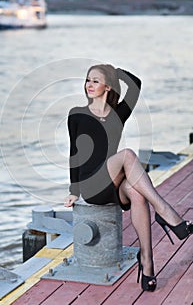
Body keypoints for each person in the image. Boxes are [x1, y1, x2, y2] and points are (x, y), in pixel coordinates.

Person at [64, 64, 193, 292]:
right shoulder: (77, 114)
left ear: (108, 86)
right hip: (91, 185)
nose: (89, 85)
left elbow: (135, 85)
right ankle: (165, 212)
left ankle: (148, 264)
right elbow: (74, 153)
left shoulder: (117, 115)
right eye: (88, 80)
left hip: (112, 184)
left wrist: (114, 71)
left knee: (136, 193)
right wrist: (74, 190)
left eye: (96, 80)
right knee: (128, 155)